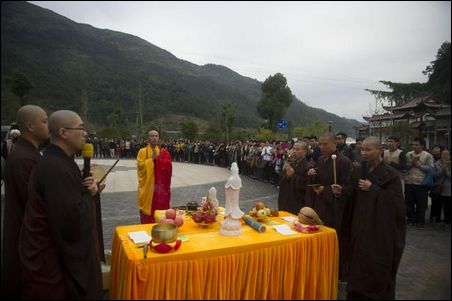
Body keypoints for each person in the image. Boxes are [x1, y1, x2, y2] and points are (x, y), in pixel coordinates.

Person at [19, 110, 103, 299]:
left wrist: (80, 187)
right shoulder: (55, 168)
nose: (85, 134)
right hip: (52, 262)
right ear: (64, 132)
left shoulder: (59, 161)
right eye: (80, 128)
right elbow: (72, 222)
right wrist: (90, 195)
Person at [346, 136, 406, 299]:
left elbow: (396, 205)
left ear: (380, 150)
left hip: (379, 230)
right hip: (359, 224)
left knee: (374, 264)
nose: (363, 153)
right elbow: (351, 194)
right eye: (362, 149)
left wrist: (373, 189)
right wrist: (340, 191)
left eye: (368, 149)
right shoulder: (359, 170)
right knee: (357, 262)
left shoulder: (391, 174)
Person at [1, 105, 49, 299]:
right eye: (44, 121)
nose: (48, 125)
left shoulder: (28, 153)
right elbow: (35, 202)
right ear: (30, 125)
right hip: (26, 234)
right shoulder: (24, 158)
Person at [306, 132, 353, 281]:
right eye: (320, 144)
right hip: (319, 203)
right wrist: (313, 173)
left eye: (325, 144)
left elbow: (348, 187)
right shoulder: (321, 159)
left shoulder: (344, 162)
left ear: (335, 144)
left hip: (334, 207)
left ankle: (332, 272)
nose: (322, 147)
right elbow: (319, 177)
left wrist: (328, 190)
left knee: (332, 239)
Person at [137, 130, 172, 223]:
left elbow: (168, 166)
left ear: (158, 138)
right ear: (148, 138)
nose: (154, 138)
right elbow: (140, 167)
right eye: (152, 136)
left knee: (159, 208)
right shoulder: (142, 151)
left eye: (156, 136)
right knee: (148, 209)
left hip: (159, 186)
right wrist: (151, 160)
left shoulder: (162, 151)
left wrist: (161, 161)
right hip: (148, 186)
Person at [403, 137, 434, 228]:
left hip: (421, 183)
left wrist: (419, 165)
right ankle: (410, 219)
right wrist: (411, 164)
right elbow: (404, 167)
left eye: (417, 145)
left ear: (422, 146)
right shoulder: (408, 154)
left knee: (421, 204)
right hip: (409, 182)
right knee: (409, 203)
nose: (414, 146)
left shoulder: (428, 155)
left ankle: (420, 221)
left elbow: (431, 169)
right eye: (413, 145)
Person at [277, 141, 312, 215]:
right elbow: (282, 181)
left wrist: (293, 176)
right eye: (294, 149)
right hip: (286, 199)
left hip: (297, 202)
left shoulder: (308, 167)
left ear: (305, 151)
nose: (295, 151)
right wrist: (287, 175)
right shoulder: (291, 164)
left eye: (298, 149)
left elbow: (306, 186)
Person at [432, 149, 451, 231]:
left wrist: (446, 169)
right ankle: (437, 222)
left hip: (449, 190)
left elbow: (449, 176)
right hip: (439, 189)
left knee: (448, 208)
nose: (444, 156)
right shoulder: (436, 164)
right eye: (443, 154)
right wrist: (443, 168)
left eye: (447, 154)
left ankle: (447, 223)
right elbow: (436, 175)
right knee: (438, 207)